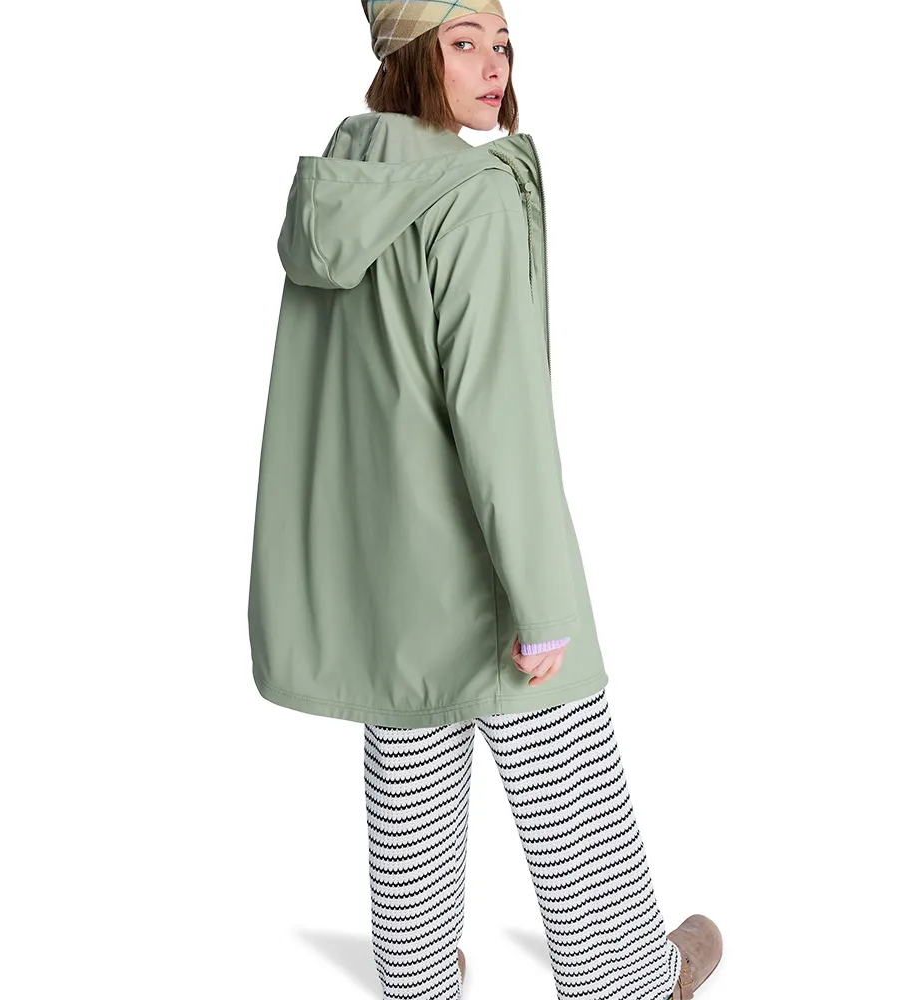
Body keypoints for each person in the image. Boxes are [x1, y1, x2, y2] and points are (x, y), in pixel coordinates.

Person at [247, 2, 724, 997]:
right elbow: (500, 416)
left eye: (501, 42)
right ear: (409, 54)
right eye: (462, 42)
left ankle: (417, 976)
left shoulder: (346, 180)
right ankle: (630, 977)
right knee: (565, 762)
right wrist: (541, 600)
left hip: (385, 568)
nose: (493, 63)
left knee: (410, 759)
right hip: (480, 564)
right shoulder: (471, 198)